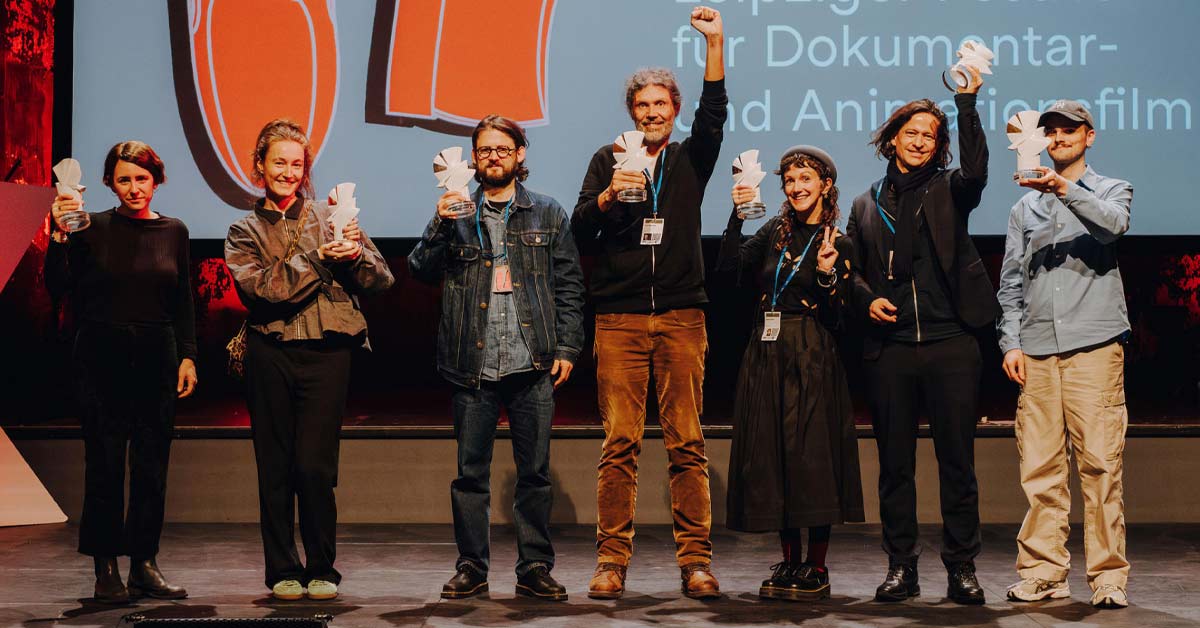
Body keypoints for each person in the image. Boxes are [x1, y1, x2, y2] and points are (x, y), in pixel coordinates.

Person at [572, 6, 727, 600]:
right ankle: (611, 561)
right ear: (632, 113)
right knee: (620, 444)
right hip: (619, 319)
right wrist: (610, 195)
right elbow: (580, 229)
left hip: (683, 315)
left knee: (687, 441)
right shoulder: (606, 159)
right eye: (642, 105)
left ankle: (696, 563)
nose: (652, 112)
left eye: (661, 104)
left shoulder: (692, 158)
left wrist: (714, 43)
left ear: (675, 110)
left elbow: (716, 111)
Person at [409, 115, 585, 601]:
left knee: (535, 474)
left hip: (532, 361)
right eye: (484, 150)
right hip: (473, 363)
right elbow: (420, 269)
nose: (493, 157)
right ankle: (472, 566)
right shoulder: (457, 212)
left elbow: (570, 284)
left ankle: (534, 566)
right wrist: (440, 222)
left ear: (519, 154)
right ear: (473, 158)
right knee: (470, 475)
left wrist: (568, 347)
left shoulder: (547, 212)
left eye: (502, 149)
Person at [845, 65, 998, 605]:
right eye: (910, 133)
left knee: (957, 463)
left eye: (929, 136)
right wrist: (866, 299)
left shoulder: (952, 189)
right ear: (891, 140)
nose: (918, 142)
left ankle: (961, 567)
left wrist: (966, 103)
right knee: (895, 467)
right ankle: (901, 566)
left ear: (939, 146)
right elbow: (851, 271)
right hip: (890, 349)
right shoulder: (865, 204)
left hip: (951, 341)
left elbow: (977, 169)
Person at [224, 118, 394, 601]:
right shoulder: (244, 230)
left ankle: (322, 566)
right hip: (270, 353)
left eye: (297, 165)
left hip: (327, 353)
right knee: (275, 466)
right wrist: (321, 258)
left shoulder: (332, 213)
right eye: (278, 162)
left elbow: (382, 280)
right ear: (259, 167)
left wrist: (355, 254)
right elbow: (263, 290)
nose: (288, 172)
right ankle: (282, 567)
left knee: (315, 468)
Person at [45, 141, 196, 603]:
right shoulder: (90, 227)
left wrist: (188, 355)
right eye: (124, 179)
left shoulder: (175, 231)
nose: (134, 187)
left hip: (157, 354)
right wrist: (58, 236)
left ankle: (144, 564)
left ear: (157, 180)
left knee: (152, 466)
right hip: (101, 354)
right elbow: (57, 285)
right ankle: (105, 568)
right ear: (110, 183)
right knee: (105, 464)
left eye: (142, 178)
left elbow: (183, 300)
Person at [997, 100, 1133, 609]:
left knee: (1100, 466)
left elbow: (1112, 227)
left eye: (1068, 131)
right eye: (1050, 131)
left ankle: (1108, 577)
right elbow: (1011, 282)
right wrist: (1011, 341)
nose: (1058, 138)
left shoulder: (1111, 189)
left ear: (1088, 136)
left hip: (1093, 347)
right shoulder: (1022, 209)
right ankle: (1043, 572)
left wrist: (1062, 189)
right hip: (1036, 351)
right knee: (1040, 468)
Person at [718, 146, 865, 601]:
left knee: (810, 457)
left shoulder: (838, 241)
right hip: (767, 351)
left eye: (806, 179)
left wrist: (825, 275)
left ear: (825, 185)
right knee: (774, 455)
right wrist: (736, 218)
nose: (797, 188)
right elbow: (727, 271)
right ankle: (788, 560)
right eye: (789, 181)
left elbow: (841, 318)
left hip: (811, 350)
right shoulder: (773, 233)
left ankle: (815, 566)